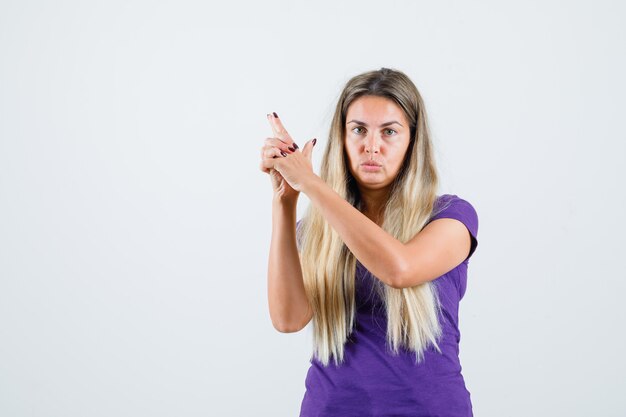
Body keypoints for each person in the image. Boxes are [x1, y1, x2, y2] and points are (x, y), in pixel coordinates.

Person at [259, 67, 479, 417]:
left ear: (412, 141)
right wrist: (285, 203)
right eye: (358, 129)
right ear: (342, 138)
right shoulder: (315, 229)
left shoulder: (451, 217)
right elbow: (288, 319)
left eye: (389, 132)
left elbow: (399, 269)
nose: (371, 146)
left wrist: (313, 185)